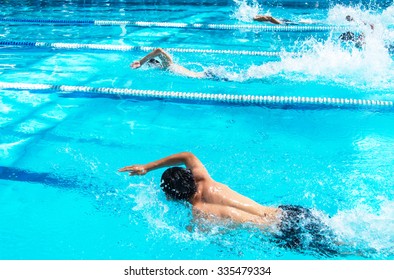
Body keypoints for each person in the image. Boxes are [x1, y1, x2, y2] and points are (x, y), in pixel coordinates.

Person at [119, 151, 339, 255]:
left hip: (282, 235)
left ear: (172, 197)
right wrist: (147, 166)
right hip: (288, 213)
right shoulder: (206, 181)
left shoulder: (199, 217)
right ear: (190, 177)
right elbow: (187, 155)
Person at [130, 48, 227, 81]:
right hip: (205, 75)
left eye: (152, 65)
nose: (154, 68)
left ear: (156, 63)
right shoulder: (166, 68)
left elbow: (159, 50)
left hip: (206, 76)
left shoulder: (168, 65)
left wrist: (141, 62)